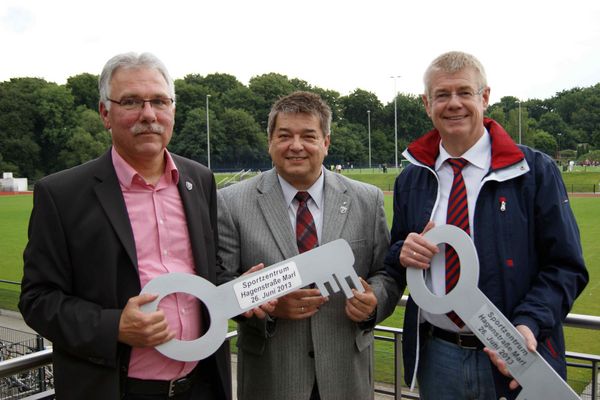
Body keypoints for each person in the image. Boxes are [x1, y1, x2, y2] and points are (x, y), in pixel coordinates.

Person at [19, 52, 231, 400]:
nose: (149, 114)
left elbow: (209, 271)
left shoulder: (199, 179)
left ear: (172, 109)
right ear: (105, 113)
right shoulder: (61, 195)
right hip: (118, 390)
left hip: (201, 386)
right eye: (131, 101)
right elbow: (37, 299)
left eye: (160, 101)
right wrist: (114, 326)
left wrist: (245, 289)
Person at [384, 51, 588, 400]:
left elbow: (566, 267)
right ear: (426, 103)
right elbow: (396, 255)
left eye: (464, 92)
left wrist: (528, 322)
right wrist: (402, 251)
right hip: (438, 357)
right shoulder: (412, 179)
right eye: (442, 95)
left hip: (513, 355)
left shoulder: (535, 171)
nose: (454, 104)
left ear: (485, 97)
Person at [217, 91, 400, 400]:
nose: (296, 146)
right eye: (284, 135)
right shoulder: (231, 202)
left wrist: (373, 303)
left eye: (308, 136)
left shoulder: (367, 200)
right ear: (270, 142)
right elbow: (222, 285)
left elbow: (386, 272)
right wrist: (268, 308)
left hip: (346, 375)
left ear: (326, 143)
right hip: (272, 377)